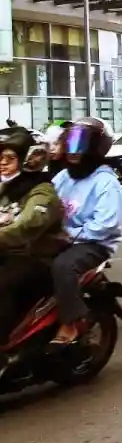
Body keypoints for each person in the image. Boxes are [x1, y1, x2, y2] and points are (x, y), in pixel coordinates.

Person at [48, 117, 122, 346]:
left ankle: (71, 323)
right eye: (70, 144)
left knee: (63, 266)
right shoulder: (63, 177)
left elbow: (105, 225)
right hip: (62, 238)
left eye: (80, 146)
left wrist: (70, 235)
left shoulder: (106, 183)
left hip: (93, 244)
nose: (73, 151)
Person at [0, 126, 64, 337]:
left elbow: (26, 225)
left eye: (9, 158)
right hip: (8, 254)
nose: (2, 163)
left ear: (27, 160)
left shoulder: (41, 191)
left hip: (36, 258)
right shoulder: (5, 188)